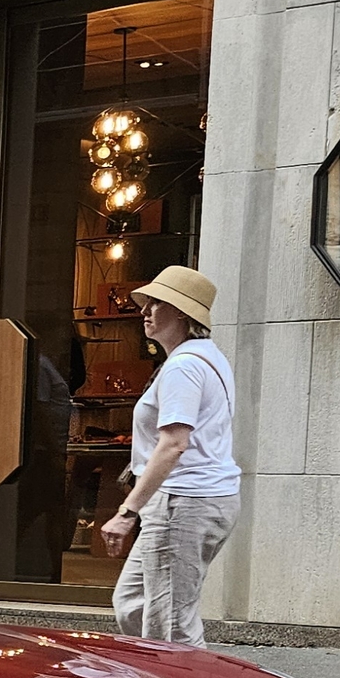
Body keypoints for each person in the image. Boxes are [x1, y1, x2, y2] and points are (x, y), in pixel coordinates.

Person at [99, 268, 240, 644]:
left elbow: (174, 444)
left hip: (184, 502)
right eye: (146, 303)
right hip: (190, 499)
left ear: (182, 313)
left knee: (171, 624)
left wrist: (126, 512)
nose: (145, 311)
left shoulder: (185, 365)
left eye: (157, 303)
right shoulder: (202, 358)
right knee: (133, 602)